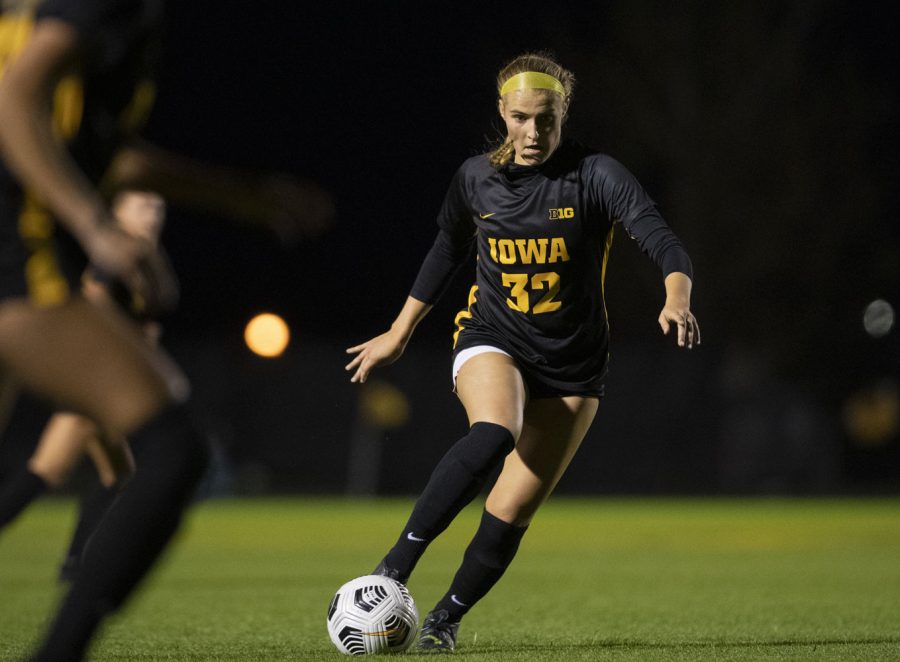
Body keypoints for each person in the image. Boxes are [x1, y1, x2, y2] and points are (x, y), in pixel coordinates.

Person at [0, 1, 330, 660]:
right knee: (172, 448)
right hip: (17, 256)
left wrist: (241, 196)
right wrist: (95, 228)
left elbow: (109, 154)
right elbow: (14, 99)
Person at [345, 51, 700, 653]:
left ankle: (442, 622)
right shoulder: (474, 178)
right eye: (520, 118)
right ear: (502, 114)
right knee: (494, 432)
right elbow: (445, 251)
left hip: (574, 367)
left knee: (509, 511)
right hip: (493, 337)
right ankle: (391, 570)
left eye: (546, 120)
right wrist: (400, 331)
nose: (533, 133)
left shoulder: (596, 174)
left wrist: (677, 296)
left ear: (563, 115)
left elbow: (663, 240)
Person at [0, 190, 167, 582]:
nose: (154, 214)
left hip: (110, 385)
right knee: (57, 472)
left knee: (78, 474)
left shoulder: (143, 254)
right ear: (116, 211)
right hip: (102, 385)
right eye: (143, 206)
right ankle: (79, 563)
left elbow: (159, 307)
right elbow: (91, 306)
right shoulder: (110, 258)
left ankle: (76, 564)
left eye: (159, 207)